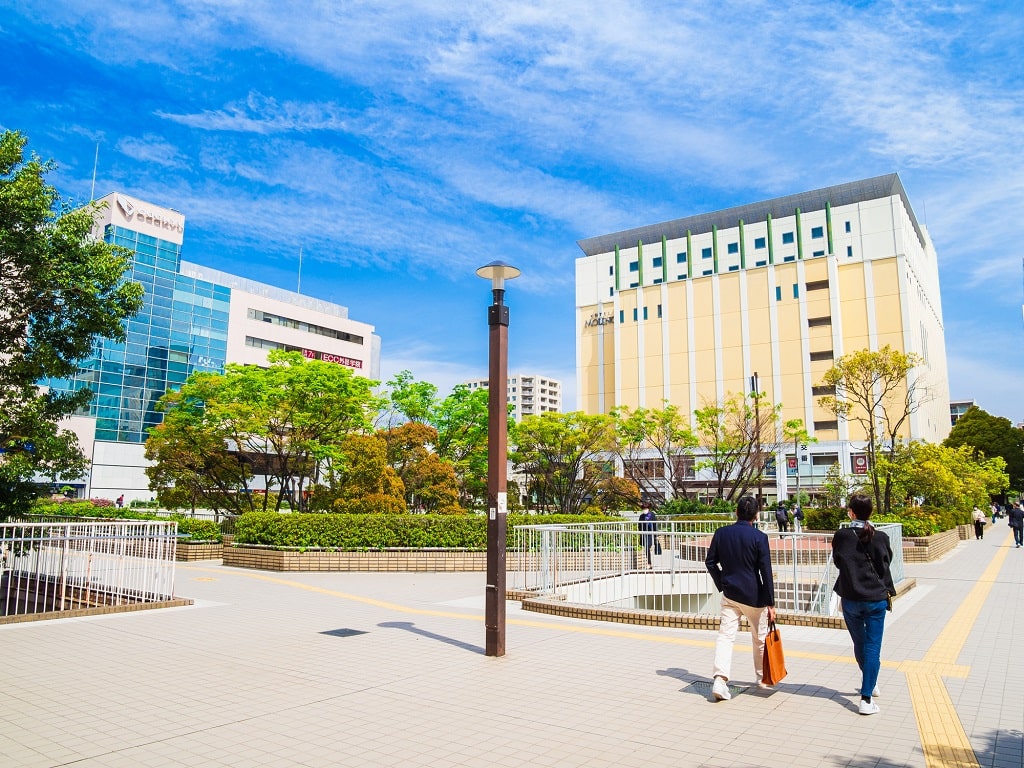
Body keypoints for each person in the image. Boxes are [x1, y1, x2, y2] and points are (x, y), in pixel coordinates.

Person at [705, 495, 776, 701]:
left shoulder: (721, 533)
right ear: (756, 515)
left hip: (730, 594)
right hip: (755, 597)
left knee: (725, 636)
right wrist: (771, 603)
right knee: (760, 638)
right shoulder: (759, 537)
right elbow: (766, 572)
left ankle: (720, 679)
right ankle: (762, 678)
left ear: (736, 512)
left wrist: (722, 583)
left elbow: (710, 562)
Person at [832, 493, 895, 716]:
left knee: (860, 644)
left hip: (850, 598)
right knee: (872, 647)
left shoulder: (842, 536)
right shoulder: (881, 537)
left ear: (851, 512)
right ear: (871, 512)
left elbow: (838, 561)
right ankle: (866, 696)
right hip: (875, 599)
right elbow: (886, 562)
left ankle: (870, 684)